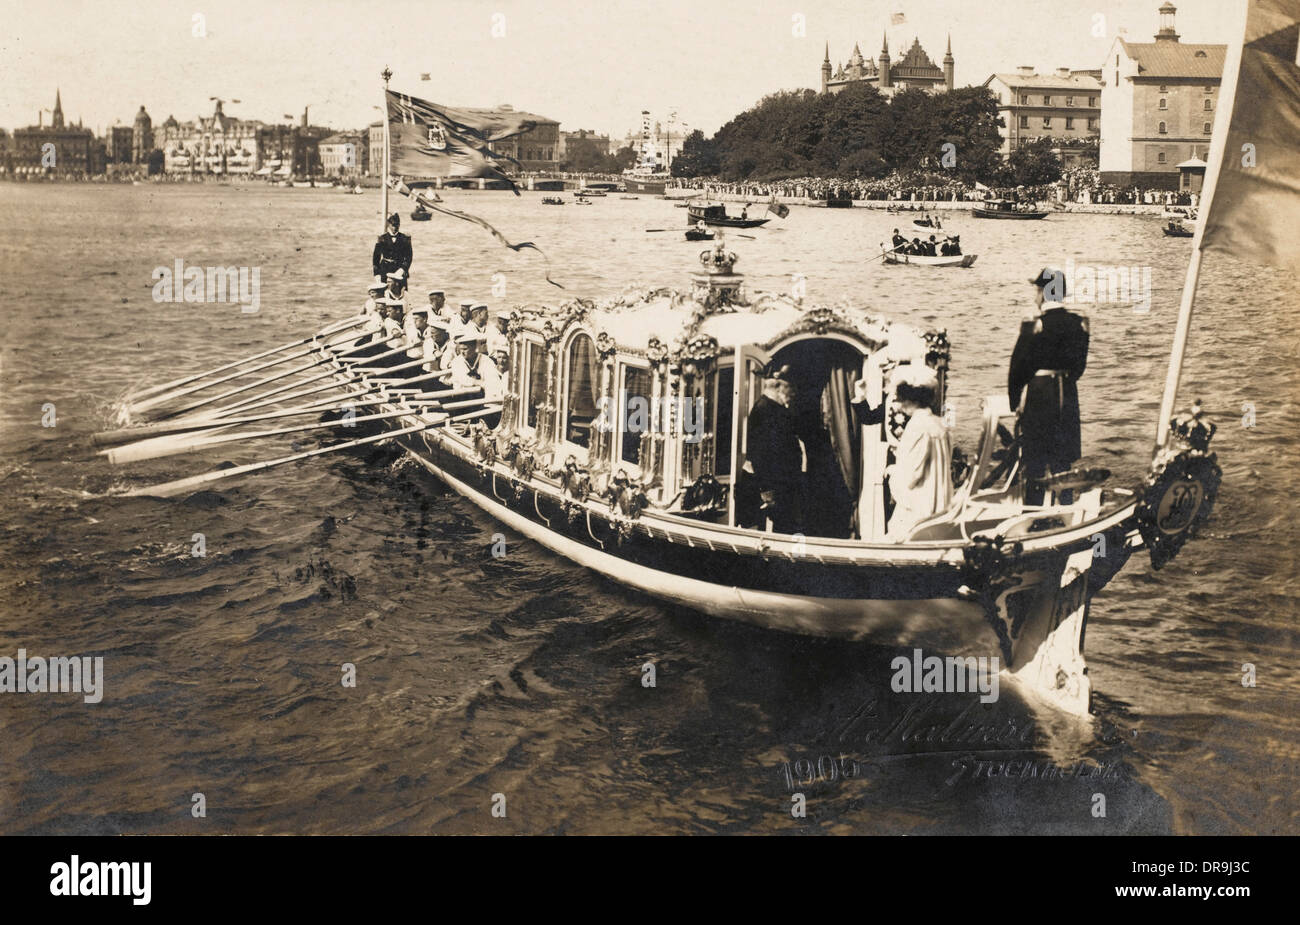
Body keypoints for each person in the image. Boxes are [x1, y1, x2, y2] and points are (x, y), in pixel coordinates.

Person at [1008, 267, 1090, 505]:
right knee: (1063, 459)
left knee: (1035, 458)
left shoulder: (1034, 324)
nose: (1035, 296)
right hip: (1067, 395)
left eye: (1037, 290)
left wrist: (1016, 403)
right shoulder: (1079, 323)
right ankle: (1065, 506)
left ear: (1044, 293)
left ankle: (1032, 512)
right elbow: (1079, 369)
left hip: (1040, 394)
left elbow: (1017, 370)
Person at [884, 365, 953, 539]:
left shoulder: (917, 427)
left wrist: (892, 472)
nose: (898, 405)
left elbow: (912, 476)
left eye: (901, 398)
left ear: (910, 399)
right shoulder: (940, 424)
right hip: (941, 502)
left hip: (922, 506)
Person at [744, 364, 804, 534]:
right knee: (775, 535)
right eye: (791, 388)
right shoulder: (763, 410)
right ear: (779, 387)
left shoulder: (777, 410)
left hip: (782, 485)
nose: (793, 393)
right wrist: (767, 491)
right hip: (771, 488)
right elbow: (760, 454)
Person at [372, 213, 412, 289]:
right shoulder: (382, 238)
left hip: (399, 270)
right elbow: (376, 258)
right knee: (385, 293)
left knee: (402, 293)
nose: (395, 227)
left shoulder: (405, 238)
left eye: (397, 225)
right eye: (393, 225)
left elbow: (409, 257)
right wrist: (377, 274)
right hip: (385, 271)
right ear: (388, 225)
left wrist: (402, 269)